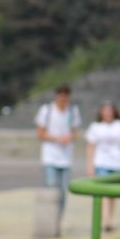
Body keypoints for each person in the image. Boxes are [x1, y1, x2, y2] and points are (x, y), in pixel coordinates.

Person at [35, 86, 80, 230]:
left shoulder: (72, 111)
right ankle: (49, 219)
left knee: (62, 191)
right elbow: (40, 133)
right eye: (60, 96)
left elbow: (74, 131)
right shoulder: (47, 110)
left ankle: (57, 220)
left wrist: (69, 138)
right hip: (50, 156)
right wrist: (57, 139)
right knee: (51, 187)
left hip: (66, 158)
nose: (63, 99)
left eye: (65, 96)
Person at [86, 102, 120, 232]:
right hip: (101, 162)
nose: (107, 113)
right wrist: (89, 165)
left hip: (117, 163)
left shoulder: (119, 126)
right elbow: (91, 147)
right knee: (105, 193)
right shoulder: (95, 127)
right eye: (105, 111)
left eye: (109, 111)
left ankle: (109, 218)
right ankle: (106, 219)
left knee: (112, 194)